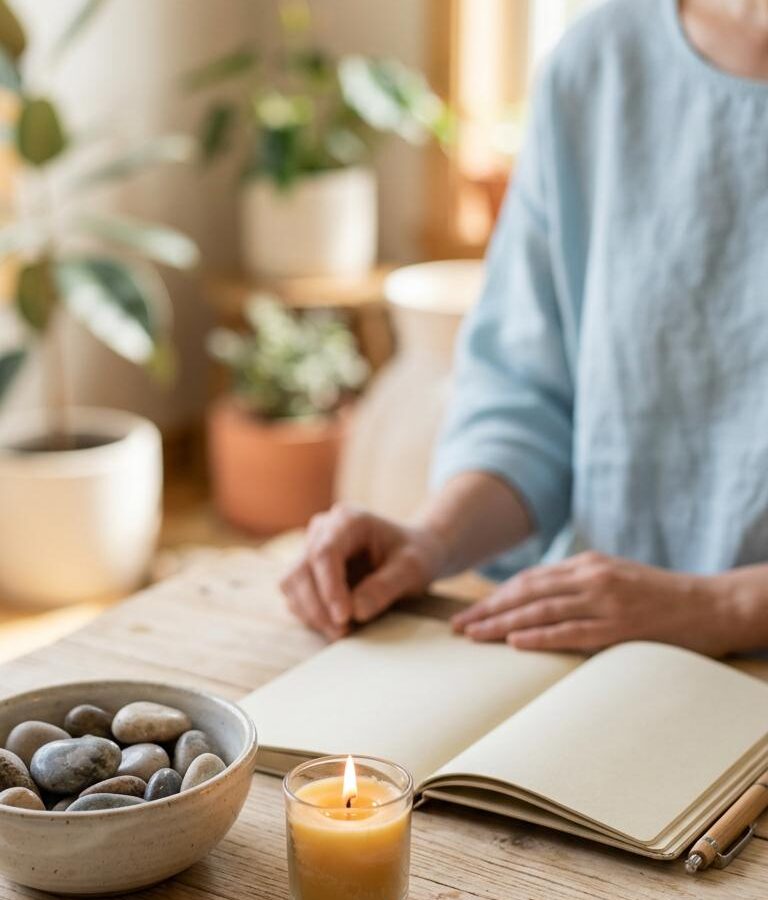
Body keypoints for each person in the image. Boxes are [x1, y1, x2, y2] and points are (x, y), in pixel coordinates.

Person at [281, 0, 768, 657]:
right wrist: (431, 539)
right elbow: (528, 401)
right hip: (601, 659)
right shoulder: (597, 65)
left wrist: (720, 606)